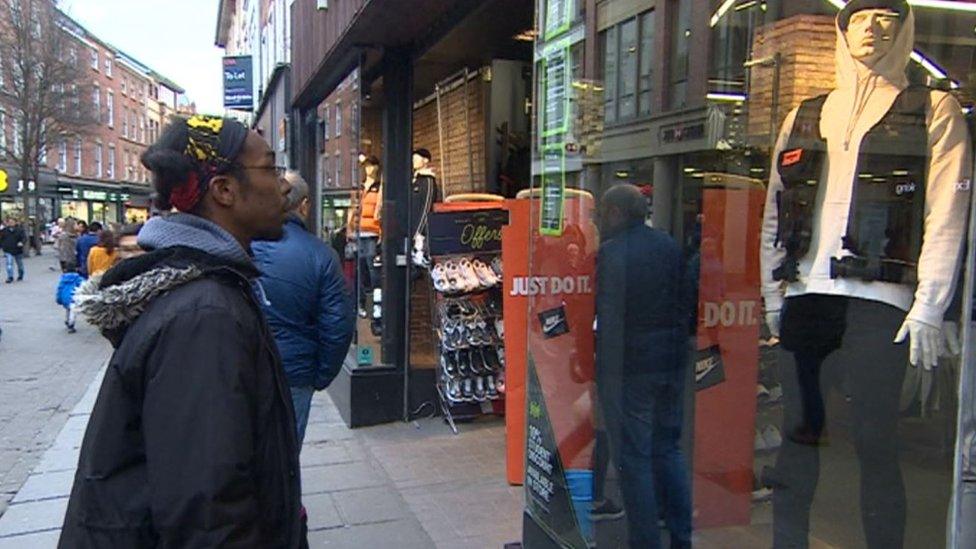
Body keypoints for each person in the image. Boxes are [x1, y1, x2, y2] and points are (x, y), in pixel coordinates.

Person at [760, 2, 970, 546]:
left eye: (887, 19)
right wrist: (772, 294)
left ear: (905, 30)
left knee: (878, 445)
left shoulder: (931, 108)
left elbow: (946, 211)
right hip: (806, 297)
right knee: (797, 441)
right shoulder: (804, 114)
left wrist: (929, 303)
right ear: (842, 28)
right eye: (860, 17)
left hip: (882, 303)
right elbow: (775, 210)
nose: (872, 29)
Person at [59, 115, 304, 548]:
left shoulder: (205, 291)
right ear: (224, 191)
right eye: (270, 168)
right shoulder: (206, 314)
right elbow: (209, 512)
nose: (285, 185)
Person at [595, 184, 692, 549]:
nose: (600, 219)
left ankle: (646, 542)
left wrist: (603, 371)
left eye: (603, 212)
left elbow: (610, 319)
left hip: (630, 368)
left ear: (617, 213)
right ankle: (681, 538)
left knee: (634, 460)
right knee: (668, 449)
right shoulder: (669, 245)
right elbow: (686, 302)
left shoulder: (612, 254)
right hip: (669, 363)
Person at [253, 171, 355, 444]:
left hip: (245, 370)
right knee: (285, 456)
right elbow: (338, 325)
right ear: (305, 204)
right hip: (295, 374)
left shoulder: (242, 243)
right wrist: (320, 375)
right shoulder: (320, 254)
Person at [56, 267, 84, 333]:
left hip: (64, 297)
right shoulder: (79, 279)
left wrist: (58, 298)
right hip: (73, 296)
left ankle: (67, 319)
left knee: (68, 309)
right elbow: (83, 286)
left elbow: (59, 289)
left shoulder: (63, 279)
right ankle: (71, 324)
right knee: (73, 311)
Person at [0, 217, 26, 283]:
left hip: (18, 249)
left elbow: (24, 238)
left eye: (12, 222)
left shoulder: (20, 230)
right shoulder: (4, 231)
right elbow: (1, 239)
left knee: (20, 264)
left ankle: (21, 274)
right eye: (9, 222)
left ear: (15, 222)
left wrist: (21, 242)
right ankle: (10, 277)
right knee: (9, 263)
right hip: (8, 249)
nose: (11, 223)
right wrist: (3, 246)